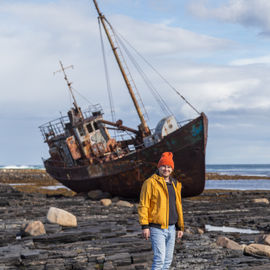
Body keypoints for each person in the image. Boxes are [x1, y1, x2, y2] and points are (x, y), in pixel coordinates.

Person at [138, 152, 184, 270]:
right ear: (158, 167)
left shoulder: (175, 184)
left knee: (167, 262)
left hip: (172, 228)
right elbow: (144, 205)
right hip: (157, 228)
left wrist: (180, 227)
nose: (166, 169)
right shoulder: (150, 183)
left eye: (169, 167)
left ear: (172, 169)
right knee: (159, 260)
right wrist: (145, 226)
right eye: (163, 166)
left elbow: (177, 206)